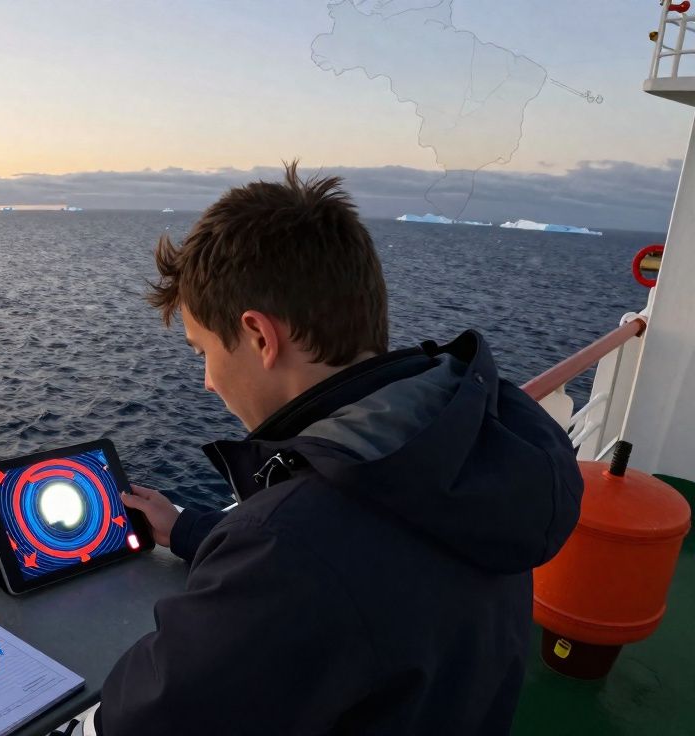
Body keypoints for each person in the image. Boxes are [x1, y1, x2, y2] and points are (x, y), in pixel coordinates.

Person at [92, 164, 584, 735]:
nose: (207, 380)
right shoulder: (473, 448)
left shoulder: (289, 548)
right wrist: (188, 530)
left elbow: (145, 719)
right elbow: (371, 568)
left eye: (204, 350)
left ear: (259, 336)